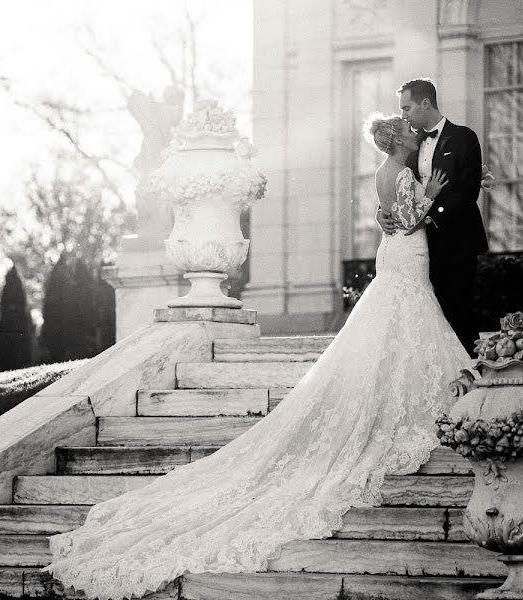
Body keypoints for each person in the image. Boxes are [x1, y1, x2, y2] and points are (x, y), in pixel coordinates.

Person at [46, 114, 471, 600]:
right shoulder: (395, 171)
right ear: (401, 139)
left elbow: (392, 213)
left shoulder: (387, 170)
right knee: (404, 317)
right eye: (413, 133)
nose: (419, 136)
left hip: (399, 253)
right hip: (406, 252)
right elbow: (411, 217)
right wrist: (433, 192)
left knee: (405, 322)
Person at [378, 78, 488, 357]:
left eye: (407, 107)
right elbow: (397, 186)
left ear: (425, 103)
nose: (403, 115)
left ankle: (472, 380)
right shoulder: (410, 147)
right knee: (425, 319)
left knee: (458, 312)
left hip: (455, 241)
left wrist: (430, 217)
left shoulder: (464, 138)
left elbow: (467, 192)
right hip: (418, 246)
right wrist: (382, 213)